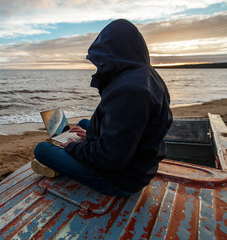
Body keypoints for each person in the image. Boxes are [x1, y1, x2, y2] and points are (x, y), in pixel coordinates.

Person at [32, 19, 173, 197]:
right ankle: (80, 143)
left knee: (42, 150)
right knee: (84, 124)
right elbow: (129, 129)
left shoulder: (129, 90)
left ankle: (67, 153)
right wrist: (92, 136)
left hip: (121, 179)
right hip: (138, 161)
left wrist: (71, 147)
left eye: (101, 60)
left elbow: (109, 159)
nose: (99, 66)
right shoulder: (147, 76)